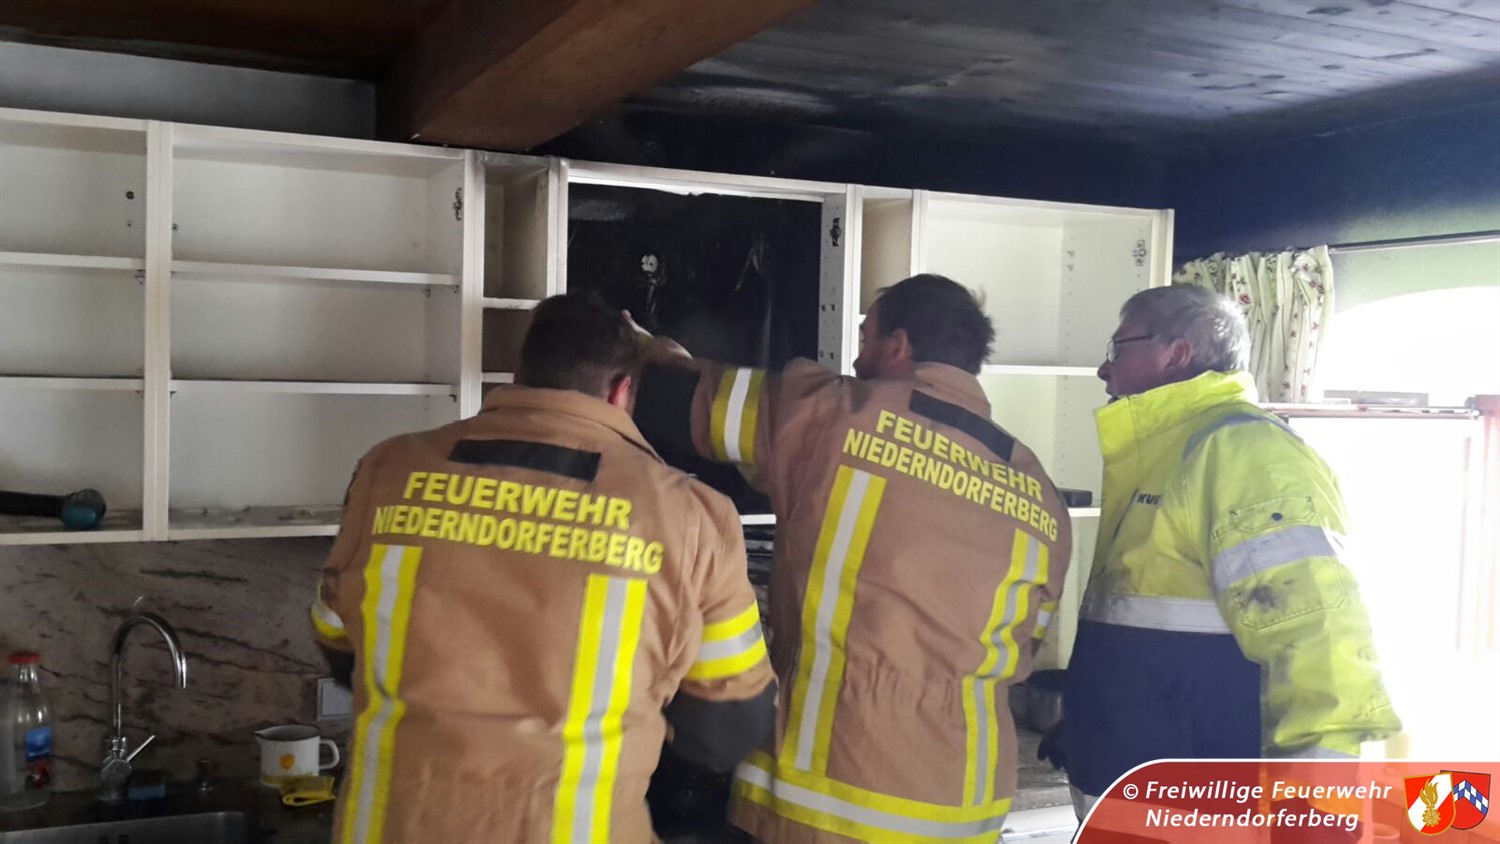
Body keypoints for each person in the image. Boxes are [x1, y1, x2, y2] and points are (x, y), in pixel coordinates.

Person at [310, 292, 775, 844]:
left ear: (520, 375)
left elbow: (337, 642)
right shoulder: (692, 516)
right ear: (622, 391)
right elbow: (728, 728)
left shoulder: (388, 469)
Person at [634, 273, 1072, 843]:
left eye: (866, 339)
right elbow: (1024, 644)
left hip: (829, 796)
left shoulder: (835, 412)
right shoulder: (1040, 493)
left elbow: (678, 404)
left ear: (899, 346)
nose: (858, 360)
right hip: (968, 806)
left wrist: (649, 351)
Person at [1052, 283, 1400, 816]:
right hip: (1138, 789)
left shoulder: (1245, 452)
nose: (1104, 369)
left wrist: (1319, 805)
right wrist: (1085, 721)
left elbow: (1319, 636)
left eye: (1118, 348)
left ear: (1177, 354)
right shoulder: (1163, 454)